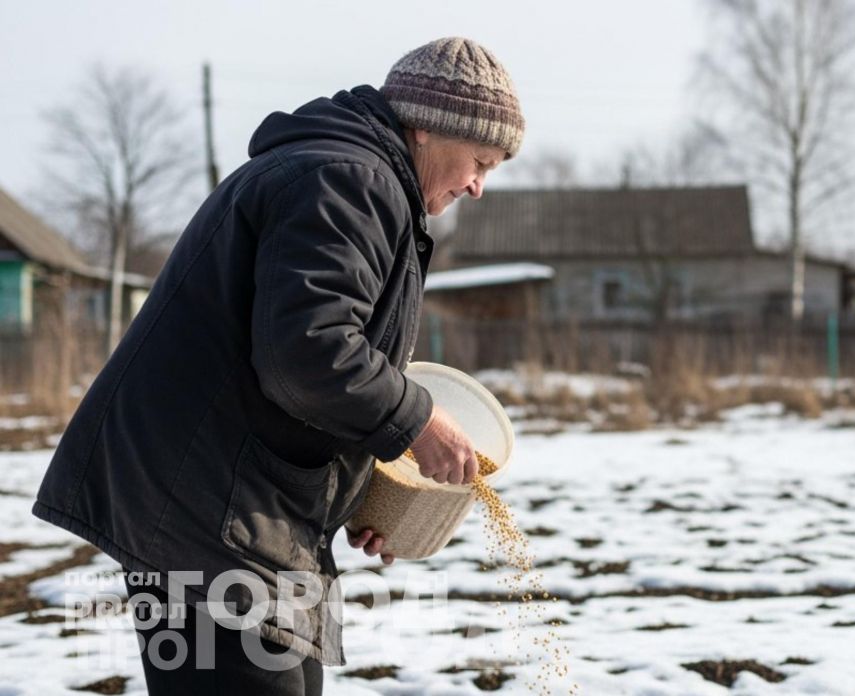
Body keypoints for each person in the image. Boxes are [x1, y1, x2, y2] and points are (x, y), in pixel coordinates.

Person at [30, 37, 524, 695]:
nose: (478, 186)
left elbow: (305, 366)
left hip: (244, 506)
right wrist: (417, 422)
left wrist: (356, 496)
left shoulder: (357, 180)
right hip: (205, 512)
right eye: (480, 161)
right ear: (429, 126)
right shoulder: (349, 181)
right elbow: (307, 354)